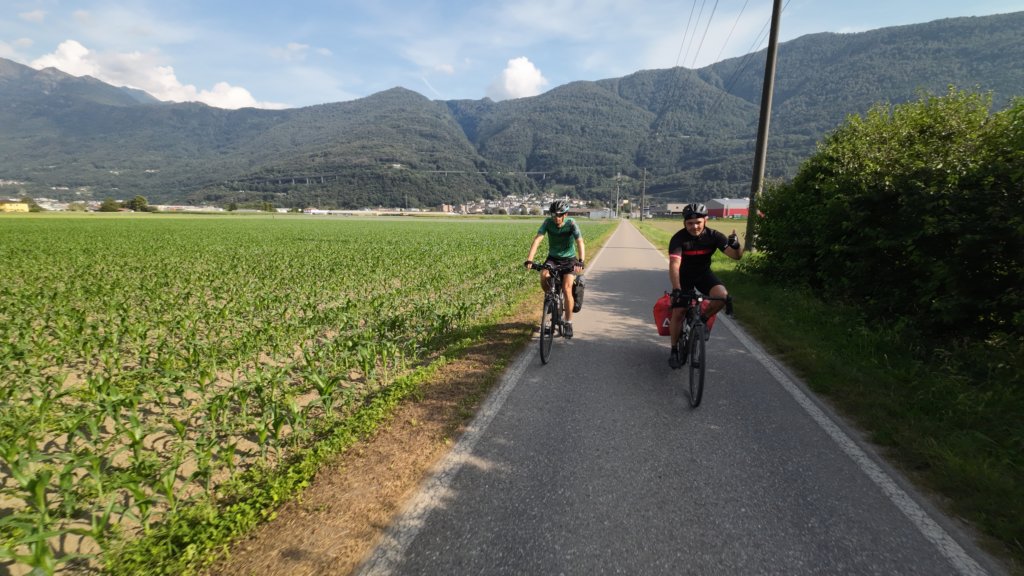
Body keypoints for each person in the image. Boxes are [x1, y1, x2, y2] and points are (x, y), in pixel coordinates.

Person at [667, 202, 742, 368]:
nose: (694, 227)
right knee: (679, 312)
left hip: (703, 275)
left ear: (705, 220)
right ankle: (673, 350)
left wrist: (736, 246)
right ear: (684, 223)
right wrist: (677, 289)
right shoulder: (678, 239)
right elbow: (674, 265)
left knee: (722, 296)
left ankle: (703, 321)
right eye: (690, 223)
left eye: (698, 222)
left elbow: (736, 256)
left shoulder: (714, 236)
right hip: (684, 277)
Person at [524, 200, 586, 338]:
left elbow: (579, 241)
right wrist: (530, 259)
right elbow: (538, 239)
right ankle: (551, 300)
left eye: (559, 215)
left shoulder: (571, 223)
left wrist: (581, 261)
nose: (556, 218)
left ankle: (568, 322)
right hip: (553, 258)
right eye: (553, 215)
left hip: (569, 260)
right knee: (544, 275)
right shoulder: (548, 223)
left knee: (567, 288)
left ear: (565, 215)